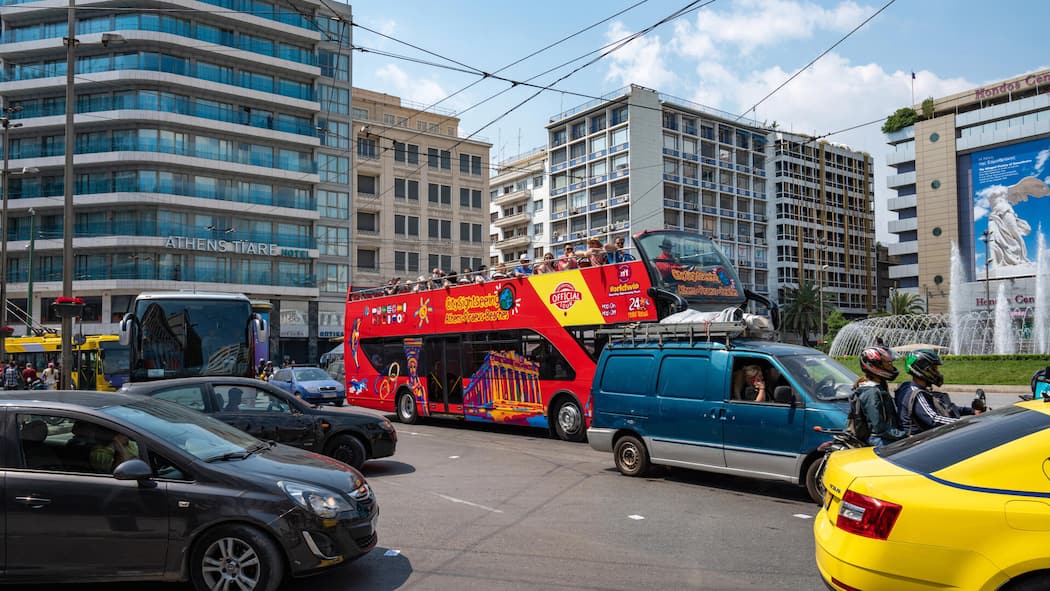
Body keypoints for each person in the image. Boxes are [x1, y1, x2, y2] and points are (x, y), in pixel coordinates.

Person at [894, 350, 979, 435]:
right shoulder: (916, 393)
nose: (938, 373)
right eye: (934, 369)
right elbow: (934, 419)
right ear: (922, 369)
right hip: (918, 441)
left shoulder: (911, 387)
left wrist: (972, 411)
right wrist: (965, 423)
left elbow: (943, 407)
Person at [849, 346, 907, 446]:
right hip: (879, 439)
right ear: (874, 366)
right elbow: (879, 427)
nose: (891, 367)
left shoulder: (879, 386)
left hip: (890, 435)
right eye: (887, 364)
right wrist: (903, 435)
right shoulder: (871, 392)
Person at [987, 187, 1032, 266]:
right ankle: (998, 262)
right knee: (994, 238)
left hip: (1006, 211)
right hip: (994, 215)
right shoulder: (992, 194)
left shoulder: (1005, 190)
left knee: (1015, 234)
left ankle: (1022, 257)